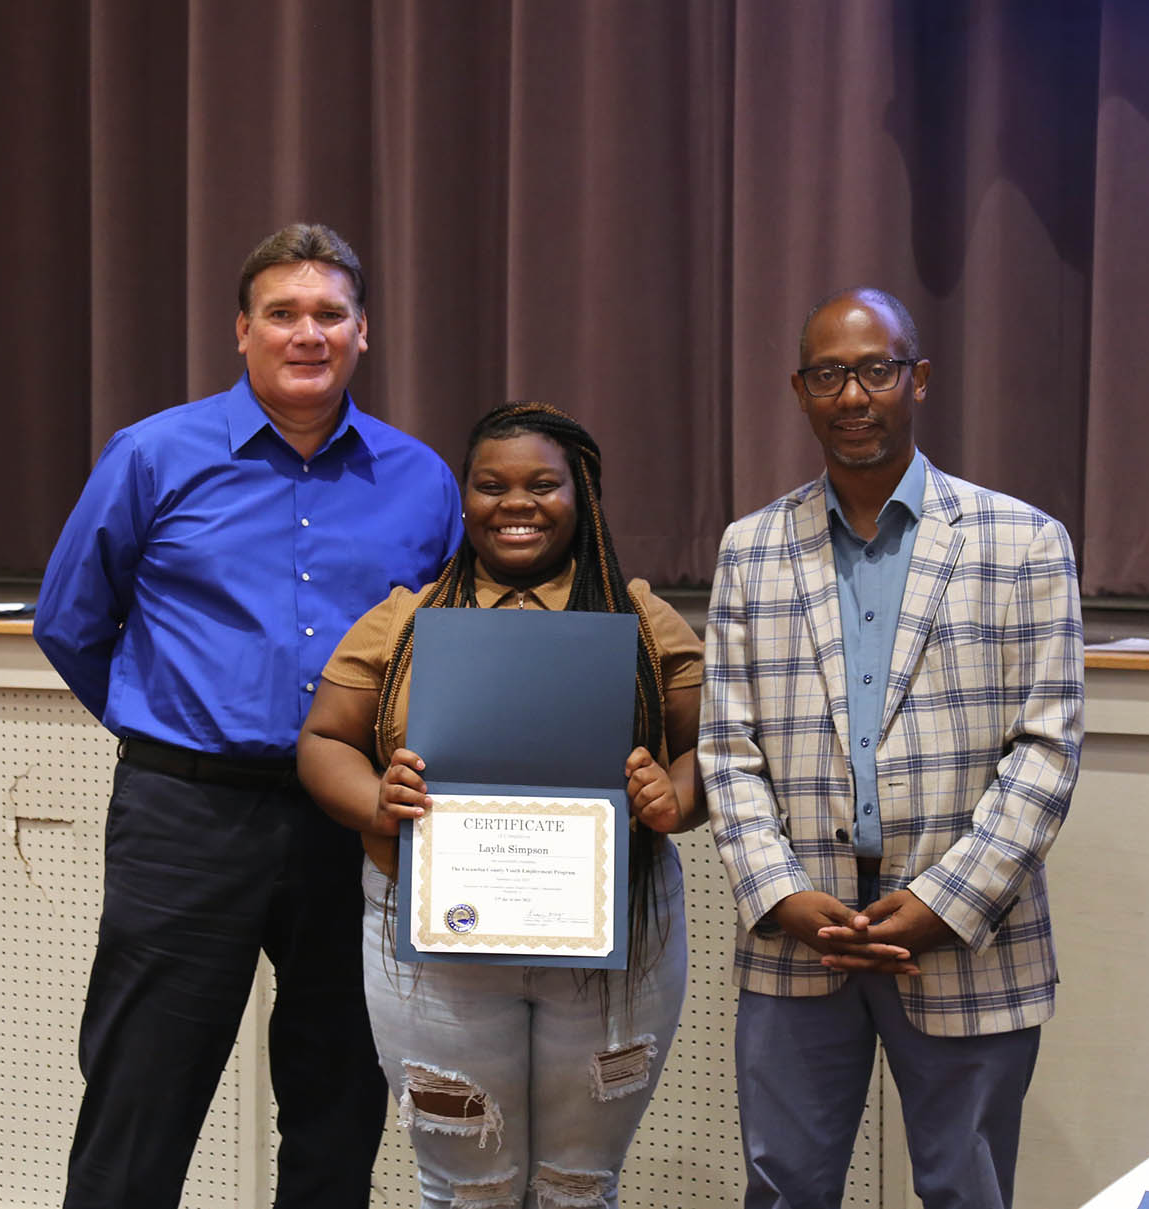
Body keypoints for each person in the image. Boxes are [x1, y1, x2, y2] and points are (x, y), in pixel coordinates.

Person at [32, 223, 461, 1209]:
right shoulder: (152, 456)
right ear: (241, 331)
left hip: (352, 828)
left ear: (363, 333)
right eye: (282, 313)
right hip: (186, 819)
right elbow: (71, 622)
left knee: (339, 1099)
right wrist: (167, 725)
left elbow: (442, 652)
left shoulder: (422, 479)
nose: (305, 333)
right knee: (142, 1095)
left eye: (328, 314)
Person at [699, 287, 1084, 1209]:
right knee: (784, 1188)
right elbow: (725, 748)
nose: (853, 394)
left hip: (963, 936)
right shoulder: (750, 549)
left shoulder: (1023, 541)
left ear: (918, 379)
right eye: (829, 374)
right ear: (800, 390)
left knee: (967, 1188)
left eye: (875, 370)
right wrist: (781, 893)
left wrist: (941, 903)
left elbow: (1046, 750)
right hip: (801, 933)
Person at [298, 402, 705, 1209]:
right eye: (490, 485)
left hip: (615, 940)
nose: (514, 502)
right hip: (434, 944)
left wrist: (673, 794)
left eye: (540, 484)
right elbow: (323, 741)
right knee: (465, 1188)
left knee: (575, 1186)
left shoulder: (641, 621)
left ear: (580, 493)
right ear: (464, 498)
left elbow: (709, 752)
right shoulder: (407, 619)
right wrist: (377, 798)